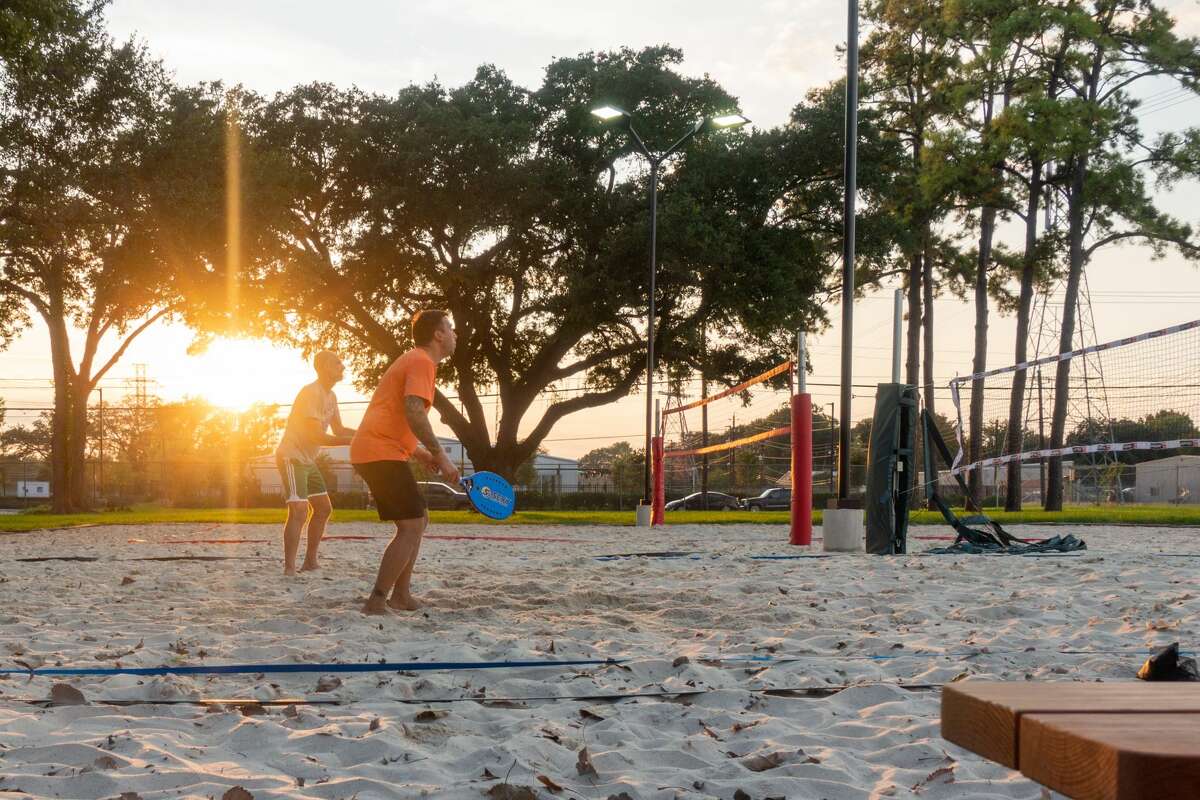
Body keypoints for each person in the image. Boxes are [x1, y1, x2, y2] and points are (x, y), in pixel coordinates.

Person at [351, 309, 460, 614]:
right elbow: (413, 411)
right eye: (450, 328)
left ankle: (401, 595)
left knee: (419, 519)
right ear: (438, 335)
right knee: (411, 526)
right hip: (378, 452)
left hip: (382, 449)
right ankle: (377, 601)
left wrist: (422, 453)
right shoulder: (421, 360)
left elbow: (396, 417)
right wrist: (442, 456)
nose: (455, 334)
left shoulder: (417, 361)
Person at [274, 350, 355, 575]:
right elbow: (316, 436)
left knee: (323, 508)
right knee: (299, 510)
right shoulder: (310, 393)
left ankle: (310, 561)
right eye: (337, 363)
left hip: (308, 460)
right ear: (324, 367)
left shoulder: (331, 396)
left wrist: (367, 434)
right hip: (292, 456)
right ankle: (289, 568)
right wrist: (353, 441)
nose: (342, 366)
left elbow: (339, 430)